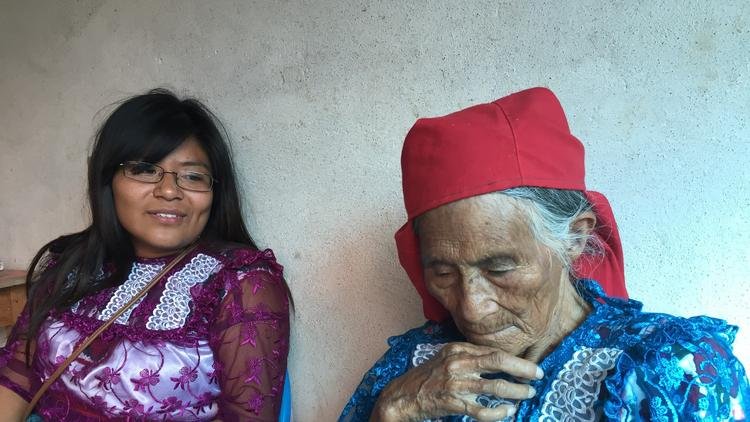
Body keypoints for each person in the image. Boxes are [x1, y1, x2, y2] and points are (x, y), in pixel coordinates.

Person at [340, 87, 749, 421]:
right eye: (444, 273)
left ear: (574, 238)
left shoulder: (675, 369)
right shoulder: (410, 369)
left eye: (499, 267)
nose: (472, 308)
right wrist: (391, 412)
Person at [0, 89, 291, 421]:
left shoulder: (240, 283)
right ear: (108, 180)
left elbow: (247, 417)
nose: (169, 191)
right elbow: (18, 375)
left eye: (193, 176)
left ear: (214, 191)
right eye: (144, 169)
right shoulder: (72, 264)